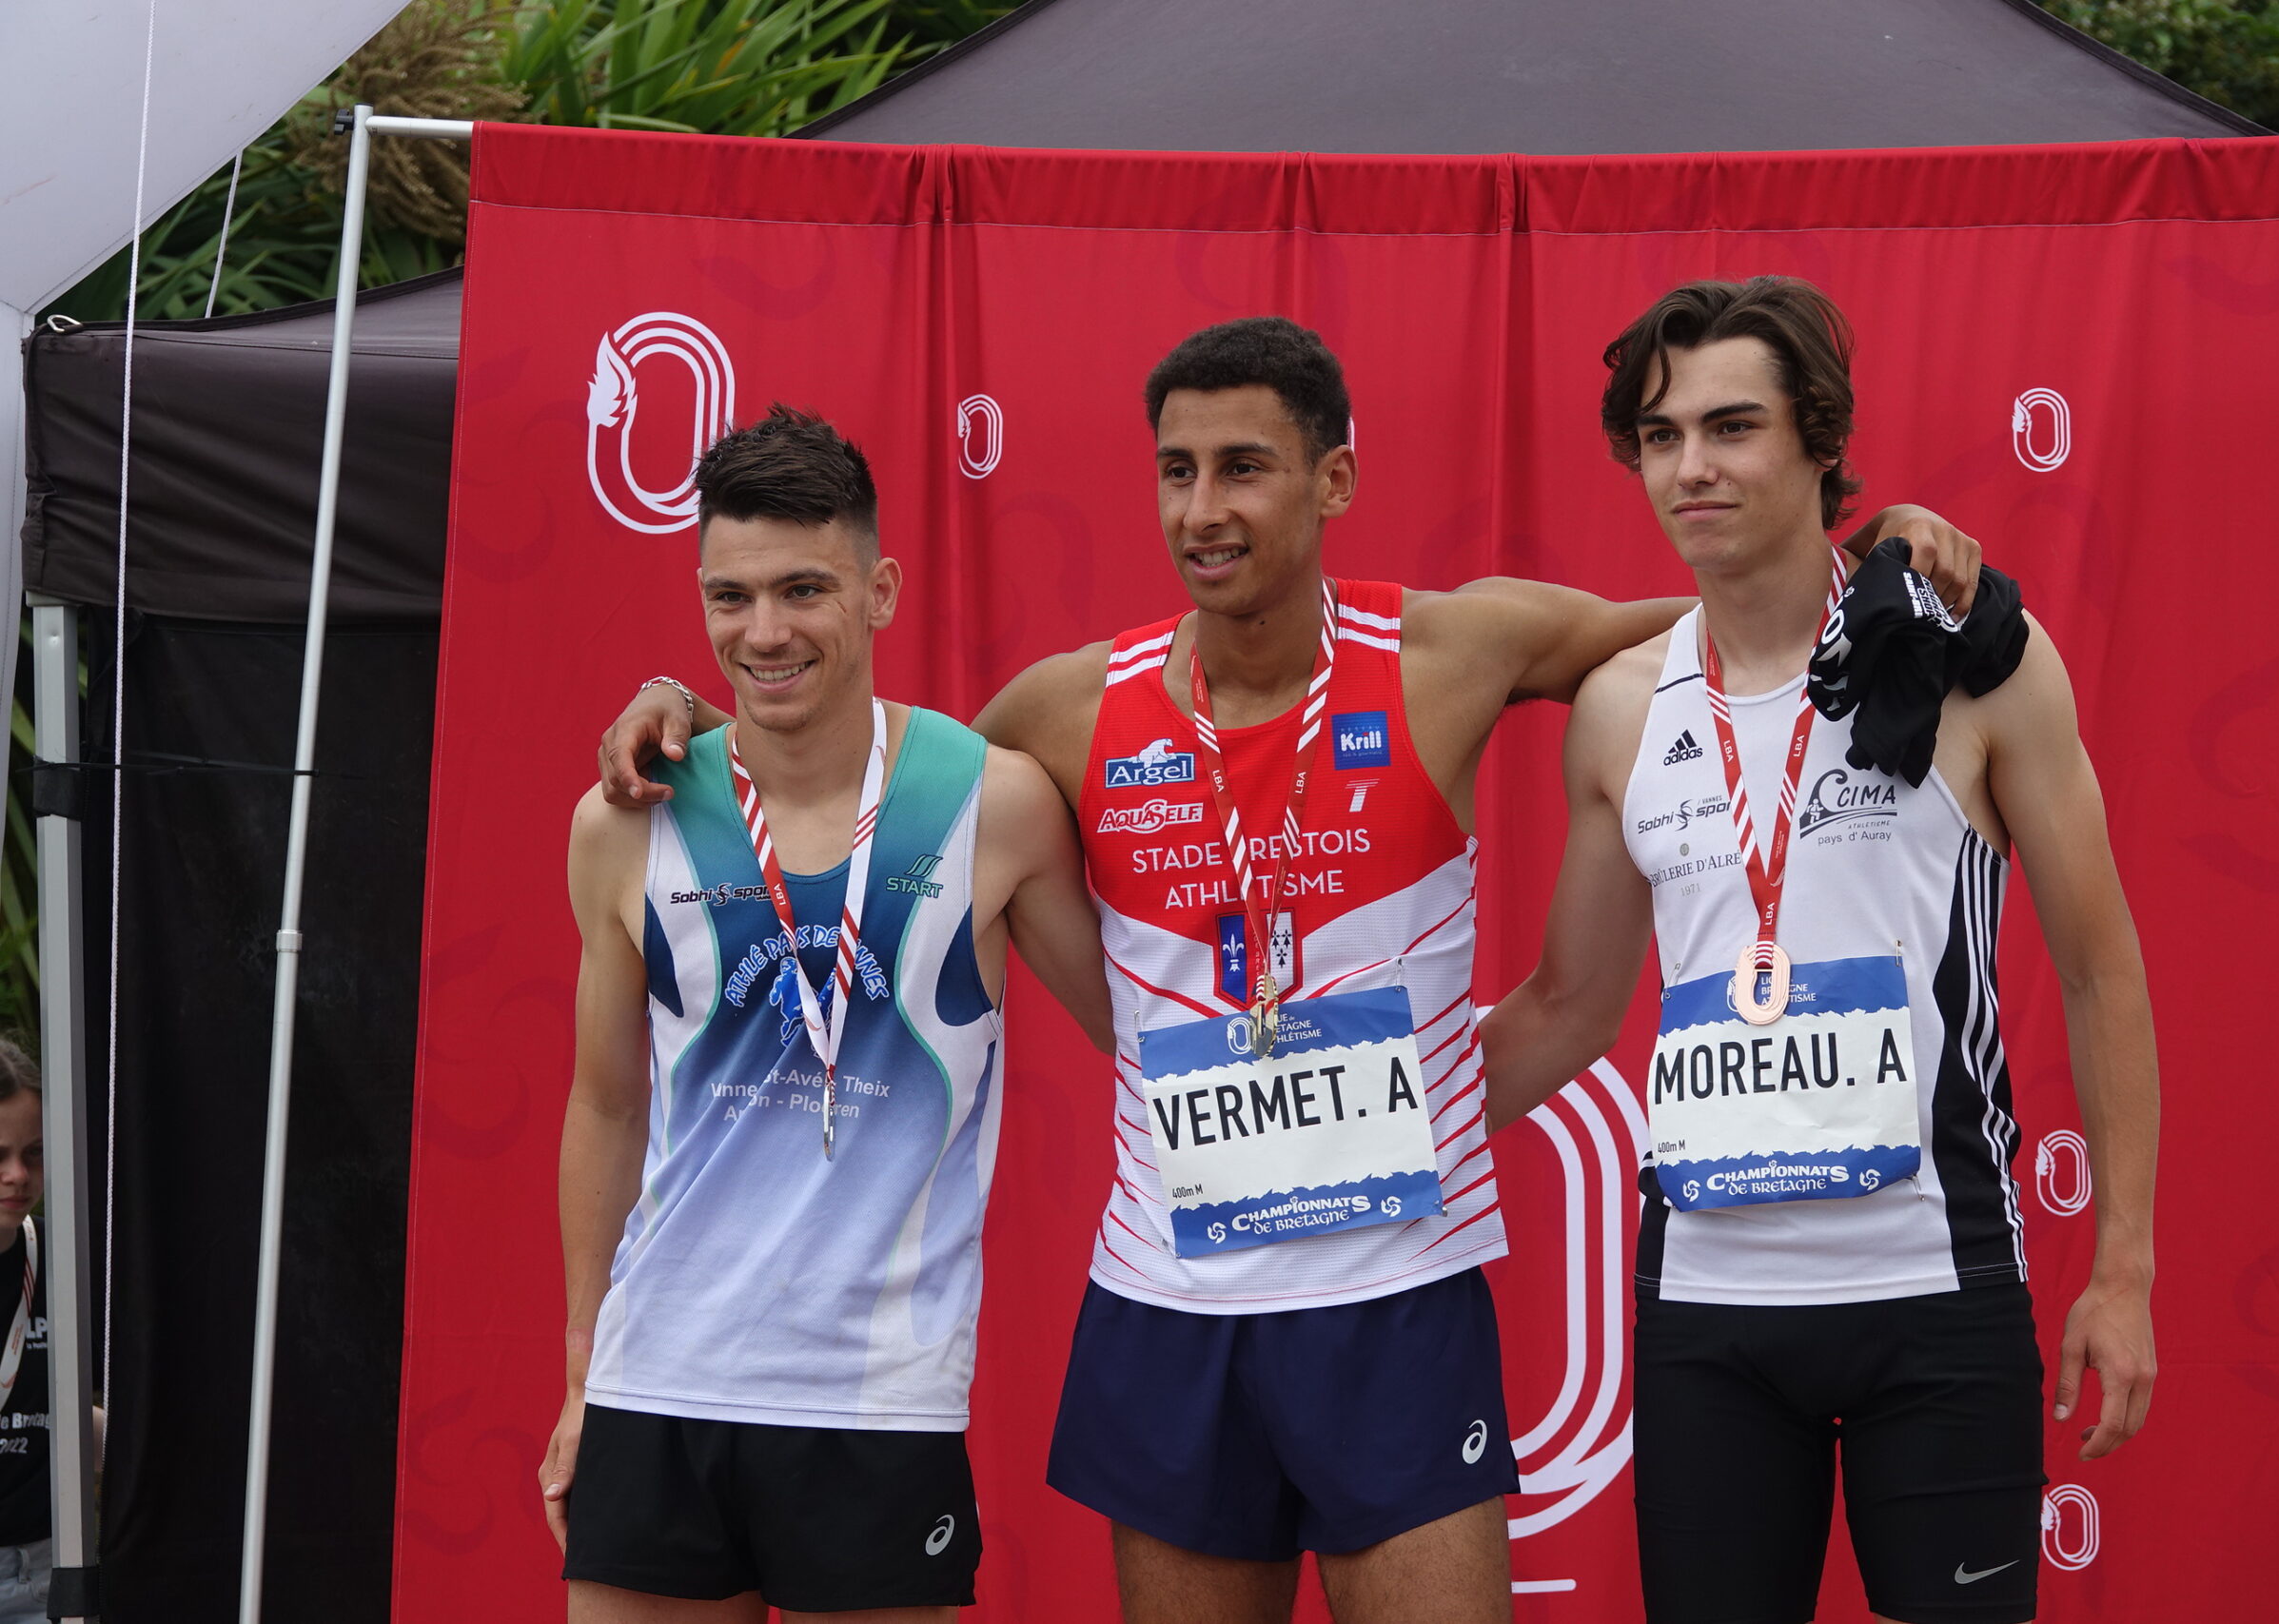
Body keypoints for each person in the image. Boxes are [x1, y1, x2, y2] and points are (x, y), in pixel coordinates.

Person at [598, 318, 1985, 1624]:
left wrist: (1882, 553)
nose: (1204, 508)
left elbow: (1720, 629)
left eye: (1245, 468)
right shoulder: (1067, 708)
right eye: (1177, 471)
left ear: (1334, 478)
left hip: (1395, 1300)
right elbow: (863, 778)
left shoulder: (1453, 649)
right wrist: (695, 709)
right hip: (1170, 1303)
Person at [1480, 278, 2159, 1624]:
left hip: (1938, 1285)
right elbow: (1565, 1005)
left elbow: (2100, 968)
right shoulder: (1621, 707)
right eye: (1662, 435)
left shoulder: (1973, 660)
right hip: (1709, 1314)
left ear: (1818, 440)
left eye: (1732, 427)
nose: (1693, 466)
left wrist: (2126, 1269)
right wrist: (1355, 1144)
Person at [541, 405, 1113, 1623]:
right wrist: (586, 1370)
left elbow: (1141, 1022)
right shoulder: (624, 818)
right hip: (661, 1385)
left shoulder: (992, 804)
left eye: (804, 589)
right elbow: (604, 1103)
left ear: (881, 589)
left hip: (873, 1398)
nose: (765, 633)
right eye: (729, 597)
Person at [0, 1042, 56, 1624]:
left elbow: (53, 1413)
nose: (17, 1175)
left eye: (33, 1153)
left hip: (42, 1576)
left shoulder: (59, 1258)